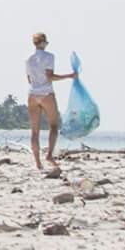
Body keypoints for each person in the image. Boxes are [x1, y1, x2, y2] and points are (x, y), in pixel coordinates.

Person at [26, 32, 75, 174]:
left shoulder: (28, 59)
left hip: (32, 94)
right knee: (54, 125)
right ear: (42, 43)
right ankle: (49, 155)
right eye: (46, 42)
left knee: (34, 131)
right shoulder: (49, 57)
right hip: (46, 93)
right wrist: (69, 76)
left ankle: (37, 163)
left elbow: (29, 79)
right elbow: (50, 77)